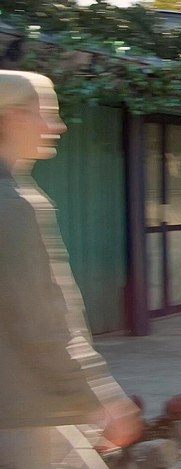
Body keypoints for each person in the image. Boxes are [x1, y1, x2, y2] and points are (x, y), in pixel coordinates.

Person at [0, 71, 142, 468]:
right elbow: (41, 321)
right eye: (43, 113)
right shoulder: (13, 206)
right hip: (21, 417)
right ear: (11, 117)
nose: (56, 126)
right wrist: (97, 396)